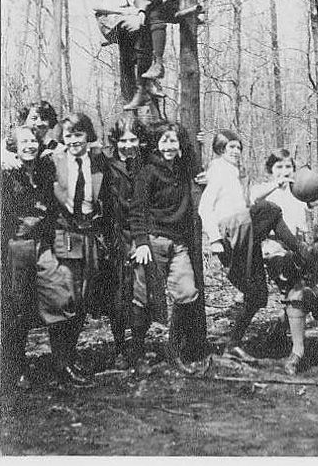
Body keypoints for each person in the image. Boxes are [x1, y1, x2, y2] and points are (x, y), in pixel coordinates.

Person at [198, 130, 310, 363]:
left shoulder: (235, 173)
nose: (236, 152)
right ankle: (303, 252)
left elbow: (248, 200)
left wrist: (277, 184)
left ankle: (233, 344)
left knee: (258, 295)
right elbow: (204, 208)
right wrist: (214, 239)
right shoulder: (218, 170)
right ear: (220, 150)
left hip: (245, 230)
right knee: (270, 210)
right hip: (231, 230)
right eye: (231, 147)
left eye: (238, 147)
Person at [0, 125, 76, 391]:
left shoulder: (45, 169)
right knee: (18, 309)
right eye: (24, 142)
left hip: (43, 245)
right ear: (13, 146)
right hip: (16, 246)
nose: (30, 145)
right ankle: (17, 368)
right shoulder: (5, 173)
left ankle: (62, 365)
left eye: (33, 140)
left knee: (60, 296)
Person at [128, 121, 204, 369]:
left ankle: (173, 352)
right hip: (152, 241)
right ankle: (137, 355)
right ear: (157, 145)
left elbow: (193, 163)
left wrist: (192, 143)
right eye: (165, 141)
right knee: (144, 299)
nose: (170, 146)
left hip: (179, 243)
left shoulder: (182, 169)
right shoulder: (148, 171)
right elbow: (137, 210)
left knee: (187, 292)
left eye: (173, 141)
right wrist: (141, 242)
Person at [251, 148, 318, 375]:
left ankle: (283, 327)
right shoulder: (264, 190)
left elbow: (315, 216)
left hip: (300, 248)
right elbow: (252, 199)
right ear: (270, 170)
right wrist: (276, 184)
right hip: (272, 249)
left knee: (309, 288)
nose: (285, 172)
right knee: (294, 287)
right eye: (279, 167)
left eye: (288, 167)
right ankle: (297, 350)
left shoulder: (299, 193)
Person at [49, 112, 112, 384]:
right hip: (65, 232)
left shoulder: (99, 162)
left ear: (88, 136)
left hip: (90, 234)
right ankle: (60, 363)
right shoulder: (52, 160)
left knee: (84, 298)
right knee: (65, 298)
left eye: (79, 134)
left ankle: (69, 358)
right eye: (69, 135)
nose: (74, 140)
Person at [91, 0, 157, 110]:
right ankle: (144, 83)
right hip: (109, 21)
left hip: (127, 20)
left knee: (146, 26)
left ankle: (138, 89)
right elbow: (96, 6)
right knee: (136, 27)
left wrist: (142, 11)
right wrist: (122, 11)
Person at [103, 115, 149, 367]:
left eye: (133, 139)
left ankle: (139, 347)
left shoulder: (146, 164)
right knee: (118, 294)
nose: (128, 145)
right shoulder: (107, 164)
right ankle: (120, 347)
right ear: (116, 142)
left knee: (142, 291)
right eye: (123, 140)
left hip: (141, 235)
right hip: (116, 236)